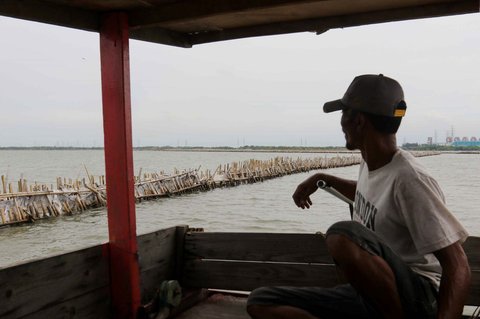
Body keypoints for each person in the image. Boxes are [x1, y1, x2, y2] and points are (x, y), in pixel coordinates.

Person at [246, 74, 471, 319]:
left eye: (344, 115)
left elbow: (458, 265)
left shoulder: (410, 179)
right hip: (372, 296)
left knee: (342, 235)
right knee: (261, 302)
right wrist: (325, 179)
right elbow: (374, 196)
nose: (341, 123)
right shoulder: (370, 162)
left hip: (418, 298)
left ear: (359, 121)